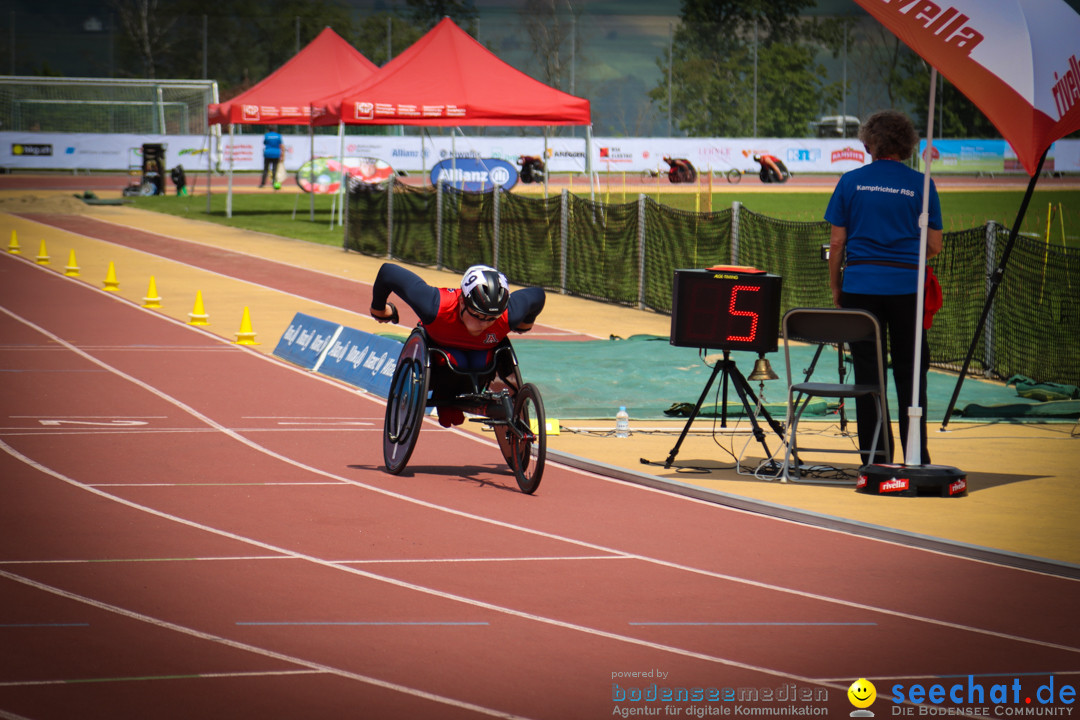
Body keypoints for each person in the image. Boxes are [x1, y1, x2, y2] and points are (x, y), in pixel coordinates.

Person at [824, 109, 943, 466]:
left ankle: (874, 457)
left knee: (868, 375)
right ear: (904, 145)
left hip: (861, 286)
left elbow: (837, 242)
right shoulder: (922, 184)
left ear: (872, 143)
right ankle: (915, 456)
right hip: (907, 287)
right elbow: (934, 245)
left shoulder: (850, 181)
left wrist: (836, 287)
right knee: (911, 372)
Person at [370, 263, 546, 427]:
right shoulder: (434, 305)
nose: (483, 324)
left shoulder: (509, 315)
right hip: (439, 355)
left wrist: (525, 323)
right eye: (477, 315)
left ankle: (457, 399)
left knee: (480, 362)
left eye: (491, 319)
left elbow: (538, 295)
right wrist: (379, 309)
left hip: (480, 362)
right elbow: (387, 272)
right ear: (462, 301)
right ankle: (444, 396)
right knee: (458, 361)